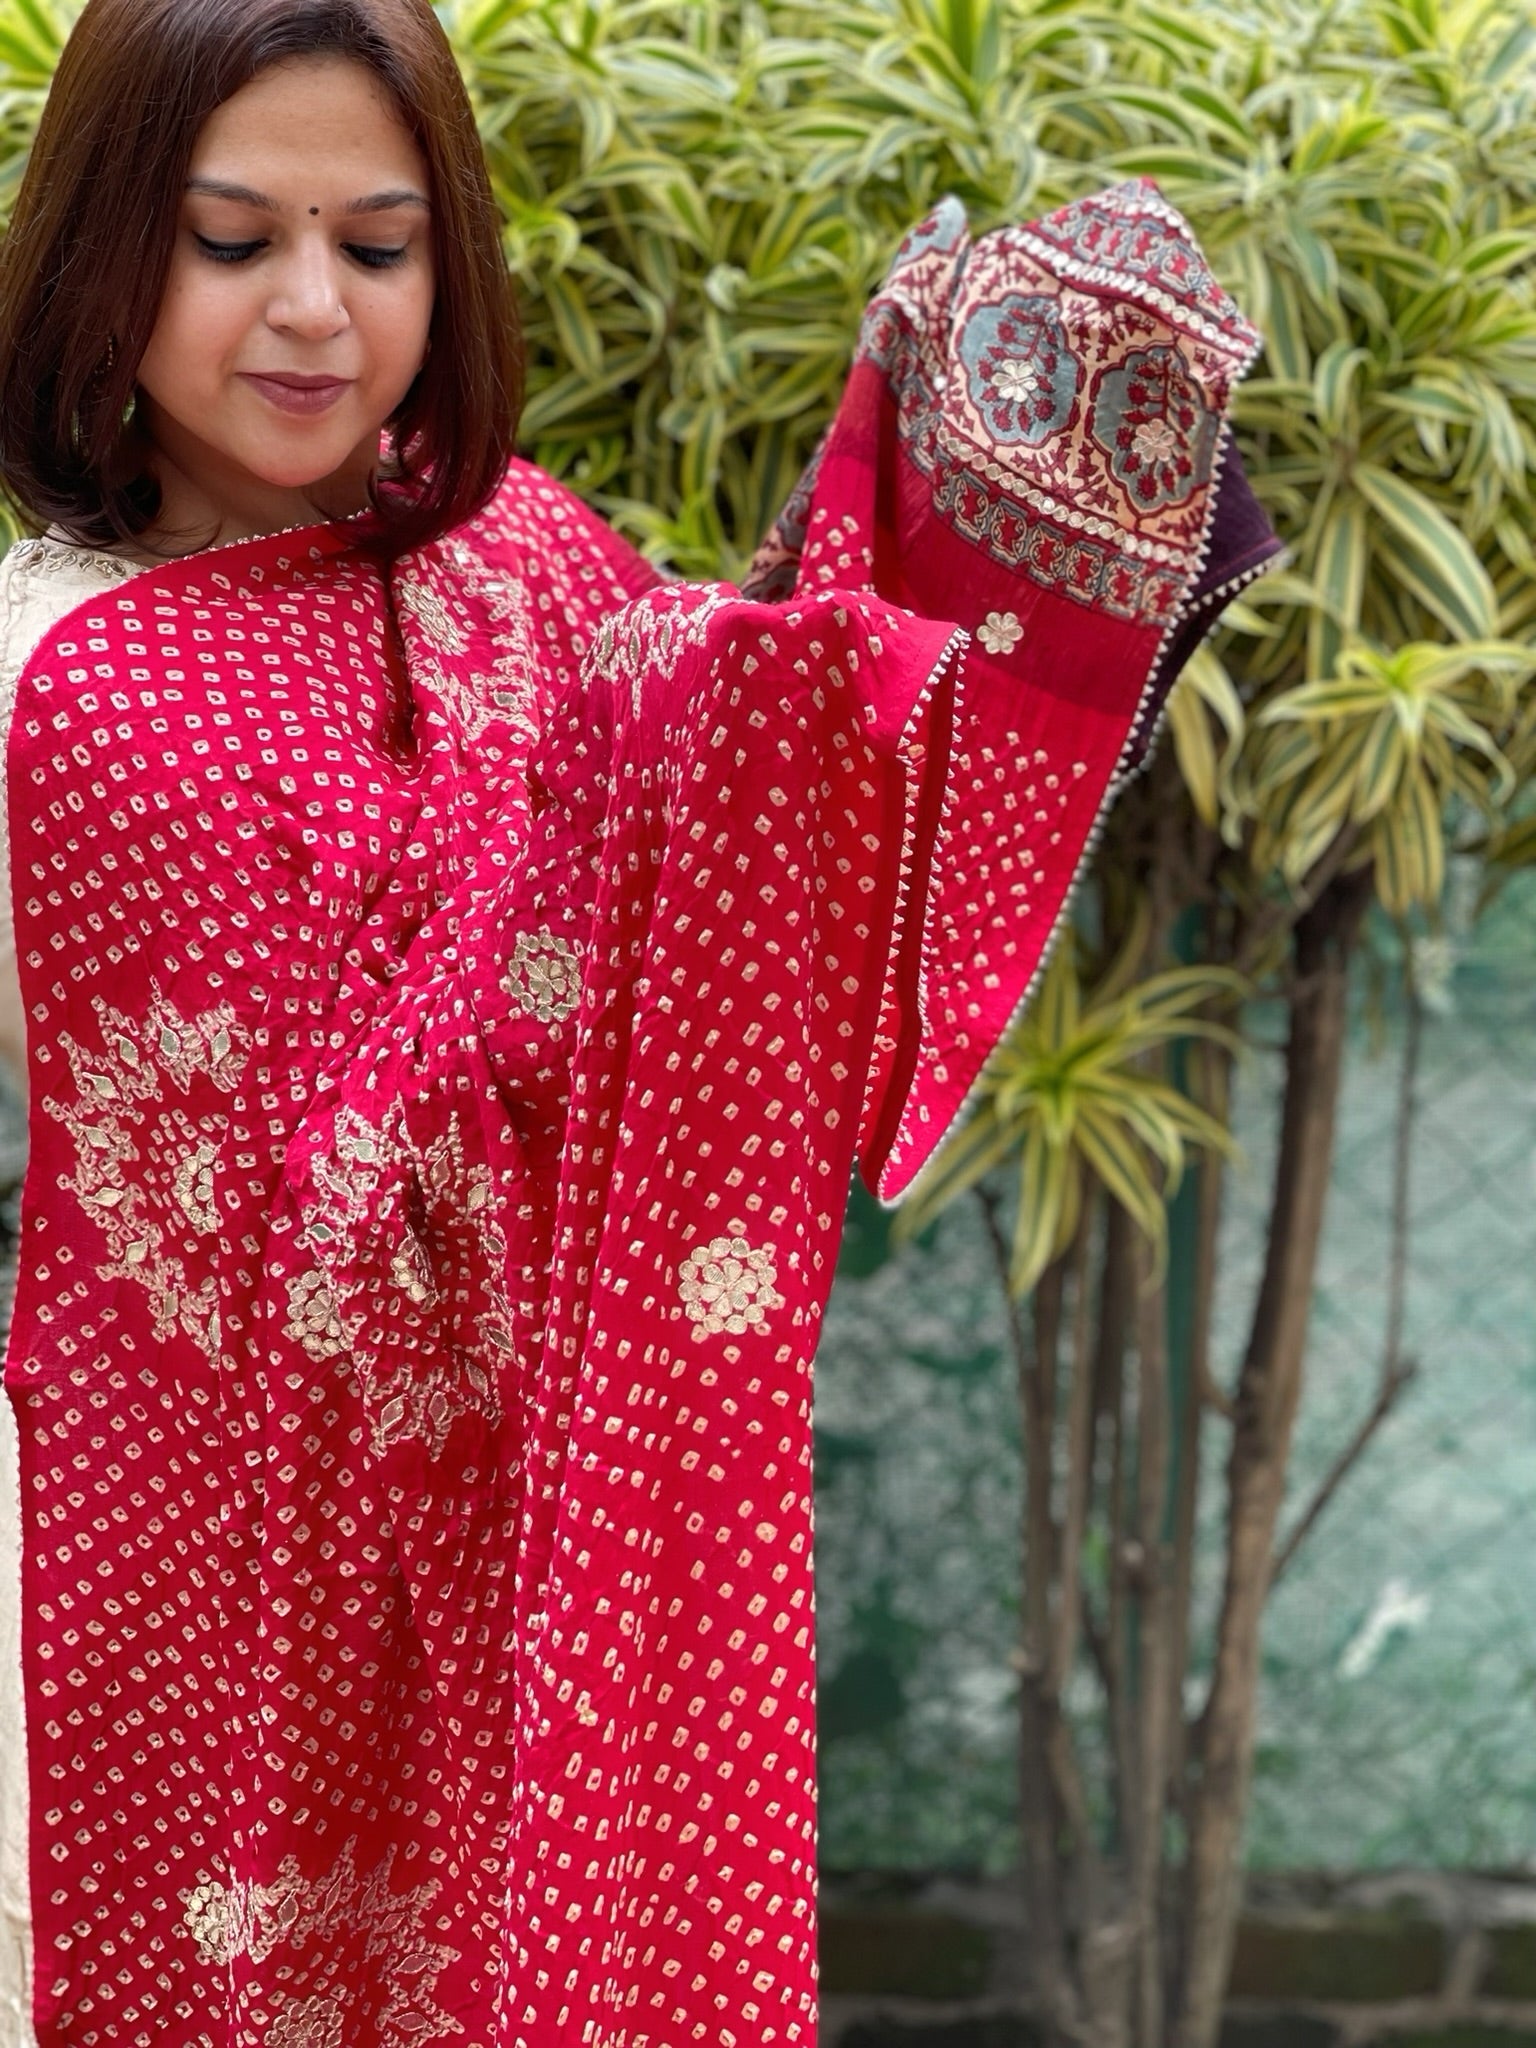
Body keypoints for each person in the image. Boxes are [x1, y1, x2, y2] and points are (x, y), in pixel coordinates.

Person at [0, 1, 1283, 2042]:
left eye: (380, 244)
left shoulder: (507, 541)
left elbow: (713, 854)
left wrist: (933, 555)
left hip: (549, 1542)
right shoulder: (71, 675)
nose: (314, 310)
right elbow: (358, 1150)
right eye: (232, 240)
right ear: (99, 250)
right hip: (200, 1561)